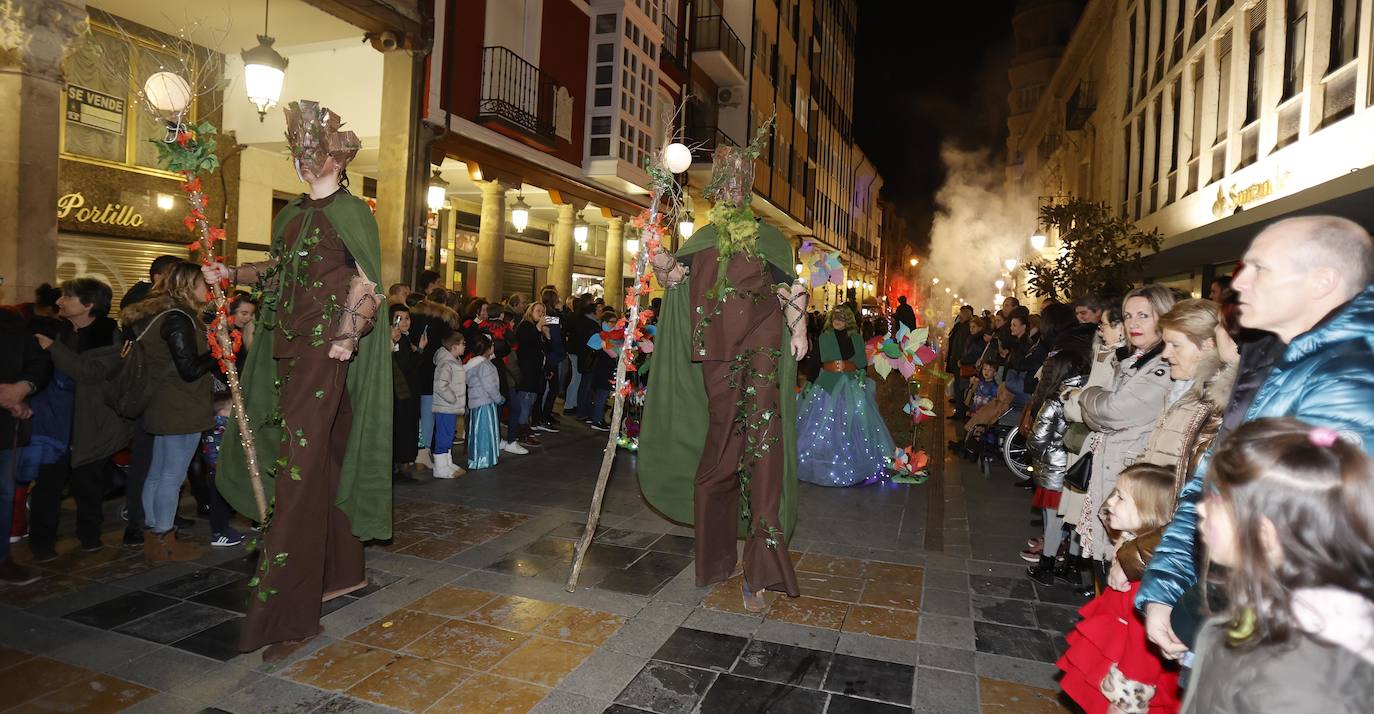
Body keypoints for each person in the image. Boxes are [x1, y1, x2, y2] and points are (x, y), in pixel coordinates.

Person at [1139, 215, 1374, 663]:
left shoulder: (1353, 377)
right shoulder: (1282, 360)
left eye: (1259, 268)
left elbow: (1321, 542)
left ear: (1322, 281)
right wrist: (1166, 586)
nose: (1238, 283)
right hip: (1232, 621)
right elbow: (1210, 483)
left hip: (1281, 649)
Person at [203, 100, 390, 660]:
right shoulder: (289, 217)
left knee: (299, 473)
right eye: (298, 152)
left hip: (324, 353)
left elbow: (367, 286)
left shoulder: (354, 214)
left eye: (311, 152)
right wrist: (233, 272)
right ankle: (342, 571)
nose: (302, 161)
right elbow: (278, 269)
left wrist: (346, 337)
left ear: (336, 159)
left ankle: (288, 617)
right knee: (319, 461)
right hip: (283, 349)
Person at [638, 140, 809, 611]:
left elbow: (790, 286)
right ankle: (715, 560)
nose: (733, 188)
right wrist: (655, 253)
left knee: (764, 452)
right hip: (716, 358)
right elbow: (673, 279)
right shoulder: (703, 239)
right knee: (721, 454)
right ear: (715, 189)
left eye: (740, 181)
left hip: (762, 353)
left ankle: (762, 570)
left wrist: (800, 325)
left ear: (748, 188)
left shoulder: (770, 237)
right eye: (726, 180)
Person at [1181, 418, 1374, 712]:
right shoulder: (1268, 607)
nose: (1201, 508)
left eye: (1217, 499)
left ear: (1263, 534)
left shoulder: (1302, 690)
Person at [1064, 285, 1176, 566]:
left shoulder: (1161, 368)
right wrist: (1099, 408)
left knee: (1119, 564)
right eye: (1128, 316)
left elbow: (1112, 411)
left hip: (1132, 478)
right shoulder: (1133, 361)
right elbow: (1098, 419)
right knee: (1106, 562)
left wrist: (1086, 396)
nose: (1133, 324)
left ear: (1163, 317)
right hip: (1112, 472)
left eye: (1143, 316)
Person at [1058, 464, 1183, 714]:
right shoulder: (1131, 555)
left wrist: (1127, 701)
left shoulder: (1144, 580)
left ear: (1149, 511)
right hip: (1113, 662)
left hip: (1128, 679)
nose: (1110, 502)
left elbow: (1143, 649)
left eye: (1121, 497)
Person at [119, 261, 215, 562]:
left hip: (165, 401)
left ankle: (154, 534)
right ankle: (164, 537)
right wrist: (216, 353)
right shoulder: (178, 318)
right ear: (188, 286)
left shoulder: (159, 313)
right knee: (171, 474)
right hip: (180, 404)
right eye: (203, 284)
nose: (208, 290)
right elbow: (188, 368)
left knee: (159, 472)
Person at [27, 278, 120, 560]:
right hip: (54, 422)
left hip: (91, 423)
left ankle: (90, 536)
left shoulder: (110, 335)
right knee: (48, 484)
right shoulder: (54, 329)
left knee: (88, 484)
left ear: (88, 304)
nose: (59, 301)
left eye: (67, 296)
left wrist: (52, 348)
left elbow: (90, 372)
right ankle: (42, 544)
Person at [795, 306, 894, 487]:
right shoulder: (824, 338)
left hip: (850, 383)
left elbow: (861, 362)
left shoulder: (855, 338)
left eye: (841, 318)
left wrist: (863, 373)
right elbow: (816, 360)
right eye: (835, 318)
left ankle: (852, 461)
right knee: (824, 424)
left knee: (852, 423)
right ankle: (823, 460)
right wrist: (810, 381)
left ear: (847, 319)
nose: (837, 321)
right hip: (828, 383)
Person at [1024, 348, 1091, 583]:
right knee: (1073, 520)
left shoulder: (1055, 400)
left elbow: (1037, 438)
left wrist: (1040, 453)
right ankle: (1071, 567)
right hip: (1079, 471)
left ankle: (1047, 566)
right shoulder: (1090, 396)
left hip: (1054, 470)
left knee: (1052, 521)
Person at [0, 307, 51, 585]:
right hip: (9, 412)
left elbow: (39, 362)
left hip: (5, 427)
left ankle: (2, 559)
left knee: (5, 494)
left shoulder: (10, 324)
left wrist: (22, 388)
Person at [389, 304, 423, 481]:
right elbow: (404, 366)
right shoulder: (394, 339)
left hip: (407, 393)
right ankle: (398, 468)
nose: (404, 322)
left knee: (405, 429)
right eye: (399, 318)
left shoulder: (405, 339)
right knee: (399, 430)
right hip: (398, 394)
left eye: (407, 318)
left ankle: (402, 466)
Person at [465, 333, 505, 467]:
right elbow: (490, 386)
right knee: (484, 431)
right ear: (488, 348)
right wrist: (498, 398)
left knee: (477, 430)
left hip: (476, 401)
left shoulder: (472, 364)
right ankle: (483, 457)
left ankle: (479, 456)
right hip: (485, 402)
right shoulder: (484, 366)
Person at [511, 302, 548, 448]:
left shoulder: (535, 328)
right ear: (530, 311)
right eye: (538, 310)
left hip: (535, 371)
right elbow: (527, 345)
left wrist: (545, 333)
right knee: (525, 402)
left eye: (543, 311)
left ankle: (524, 429)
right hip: (526, 371)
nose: (540, 313)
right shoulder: (525, 326)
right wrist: (539, 328)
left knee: (531, 399)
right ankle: (522, 433)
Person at [431, 331, 467, 479]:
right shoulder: (446, 363)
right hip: (445, 406)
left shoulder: (454, 361)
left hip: (450, 407)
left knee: (448, 435)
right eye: (463, 344)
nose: (465, 346)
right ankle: (440, 468)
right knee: (444, 436)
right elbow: (440, 386)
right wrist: (453, 399)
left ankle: (447, 463)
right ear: (454, 346)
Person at [533, 288, 564, 432]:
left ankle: (543, 416)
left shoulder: (549, 315)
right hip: (551, 355)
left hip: (550, 354)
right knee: (550, 388)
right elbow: (555, 337)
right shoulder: (552, 315)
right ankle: (542, 417)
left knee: (546, 388)